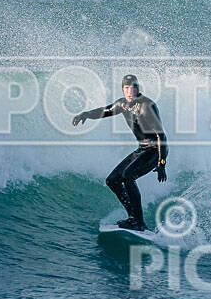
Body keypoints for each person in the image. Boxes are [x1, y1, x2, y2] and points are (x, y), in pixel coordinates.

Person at [72, 74, 168, 231]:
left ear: (138, 89)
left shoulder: (146, 106)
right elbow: (106, 110)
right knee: (113, 180)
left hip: (155, 150)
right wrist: (87, 114)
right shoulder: (122, 104)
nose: (130, 91)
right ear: (123, 89)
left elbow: (161, 136)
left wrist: (162, 163)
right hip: (142, 149)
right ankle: (133, 217)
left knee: (128, 176)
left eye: (133, 88)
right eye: (126, 88)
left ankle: (139, 222)